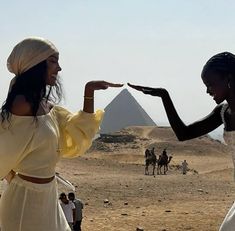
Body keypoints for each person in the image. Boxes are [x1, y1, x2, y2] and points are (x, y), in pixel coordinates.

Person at [0, 37, 123, 231]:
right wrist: (11, 177)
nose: (59, 68)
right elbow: (4, 148)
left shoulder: (47, 107)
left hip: (49, 197)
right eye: (53, 61)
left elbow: (77, 132)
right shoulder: (21, 106)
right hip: (25, 203)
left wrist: (88, 91)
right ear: (34, 64)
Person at [128, 51, 235, 230]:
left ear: (229, 78)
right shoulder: (223, 113)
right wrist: (164, 96)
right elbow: (183, 133)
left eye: (211, 84)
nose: (208, 91)